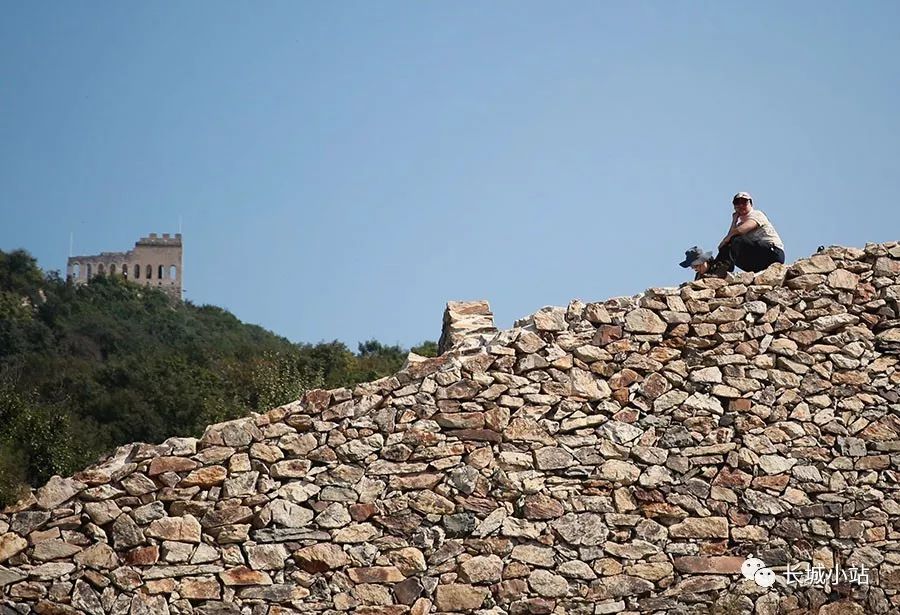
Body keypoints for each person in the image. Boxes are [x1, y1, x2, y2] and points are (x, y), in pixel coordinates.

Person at [683, 192, 785, 278]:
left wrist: (725, 240)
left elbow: (740, 231)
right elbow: (731, 238)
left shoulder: (757, 214)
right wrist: (734, 220)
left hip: (773, 254)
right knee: (729, 245)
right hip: (759, 261)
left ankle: (721, 271)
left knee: (735, 240)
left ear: (751, 204)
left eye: (744, 202)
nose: (740, 205)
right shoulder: (739, 224)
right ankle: (712, 270)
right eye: (737, 203)